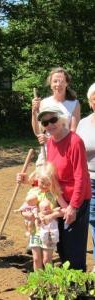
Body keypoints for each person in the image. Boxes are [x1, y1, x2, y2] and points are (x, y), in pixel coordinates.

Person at [18, 105, 91, 271]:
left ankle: (77, 287)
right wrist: (29, 182)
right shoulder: (50, 143)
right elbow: (49, 177)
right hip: (58, 197)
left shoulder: (75, 141)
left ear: (62, 119)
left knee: (74, 246)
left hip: (76, 200)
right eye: (45, 122)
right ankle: (65, 286)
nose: (49, 125)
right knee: (61, 244)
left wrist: (73, 206)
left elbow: (81, 176)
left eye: (53, 120)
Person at [17, 162, 68, 270]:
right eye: (42, 182)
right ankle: (38, 284)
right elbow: (23, 209)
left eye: (47, 183)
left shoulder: (55, 194)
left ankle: (49, 284)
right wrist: (27, 214)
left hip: (49, 231)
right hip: (35, 230)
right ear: (37, 179)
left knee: (46, 260)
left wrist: (52, 215)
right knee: (36, 259)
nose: (44, 186)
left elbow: (65, 210)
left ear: (52, 181)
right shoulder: (34, 192)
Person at [77, 82, 95, 272]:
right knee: (93, 221)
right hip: (90, 180)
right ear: (90, 103)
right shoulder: (83, 123)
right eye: (94, 98)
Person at [31, 67, 80, 138]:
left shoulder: (74, 104)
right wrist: (34, 111)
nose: (58, 84)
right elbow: (38, 131)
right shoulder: (43, 103)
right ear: (50, 85)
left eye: (61, 81)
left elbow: (73, 131)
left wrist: (50, 140)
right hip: (47, 148)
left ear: (66, 84)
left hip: (66, 146)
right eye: (55, 81)